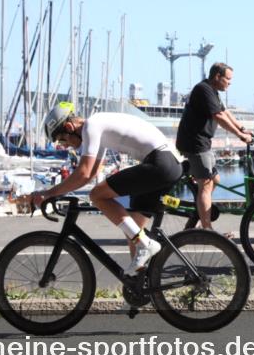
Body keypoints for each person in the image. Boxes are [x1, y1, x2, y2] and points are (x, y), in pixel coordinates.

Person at [29, 103, 183, 275]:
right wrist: (55, 192)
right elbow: (91, 173)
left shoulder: (92, 125)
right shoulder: (97, 128)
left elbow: (84, 173)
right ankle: (139, 284)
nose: (64, 146)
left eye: (62, 140)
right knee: (132, 227)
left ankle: (145, 245)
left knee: (97, 195)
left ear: (69, 127)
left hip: (160, 163)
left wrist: (48, 193)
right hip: (168, 164)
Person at [176, 63, 253, 232]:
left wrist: (242, 129)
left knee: (215, 180)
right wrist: (240, 136)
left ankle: (198, 213)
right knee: (206, 184)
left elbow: (225, 112)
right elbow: (218, 116)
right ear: (218, 76)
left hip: (203, 142)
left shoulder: (213, 92)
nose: (230, 83)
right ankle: (207, 229)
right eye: (228, 79)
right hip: (194, 143)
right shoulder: (203, 89)